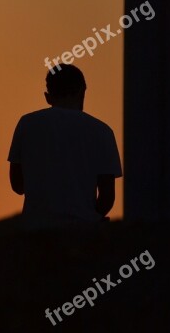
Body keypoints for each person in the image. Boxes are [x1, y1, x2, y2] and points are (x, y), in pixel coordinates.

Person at [7, 65, 122, 228]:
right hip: (81, 232)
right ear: (82, 92)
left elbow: (17, 185)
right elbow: (107, 198)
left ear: (48, 96)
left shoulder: (27, 124)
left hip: (35, 231)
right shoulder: (102, 131)